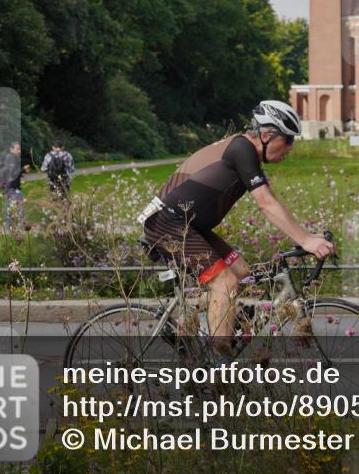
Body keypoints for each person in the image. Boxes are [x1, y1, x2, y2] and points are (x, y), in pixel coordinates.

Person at [139, 100, 334, 349]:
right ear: (266, 134)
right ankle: (218, 367)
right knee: (225, 282)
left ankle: (203, 326)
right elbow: (264, 204)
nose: (290, 148)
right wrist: (306, 241)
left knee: (242, 273)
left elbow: (272, 201)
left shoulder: (246, 154)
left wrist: (304, 236)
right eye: (288, 140)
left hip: (188, 226)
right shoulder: (241, 149)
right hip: (168, 223)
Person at [0, 141, 28, 227]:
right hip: (12, 186)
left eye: (19, 149)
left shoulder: (12, 157)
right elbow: (13, 173)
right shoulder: (11, 158)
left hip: (10, 186)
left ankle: (8, 225)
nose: (19, 151)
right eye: (17, 149)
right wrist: (23, 169)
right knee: (19, 206)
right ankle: (20, 226)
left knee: (9, 206)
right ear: (11, 149)